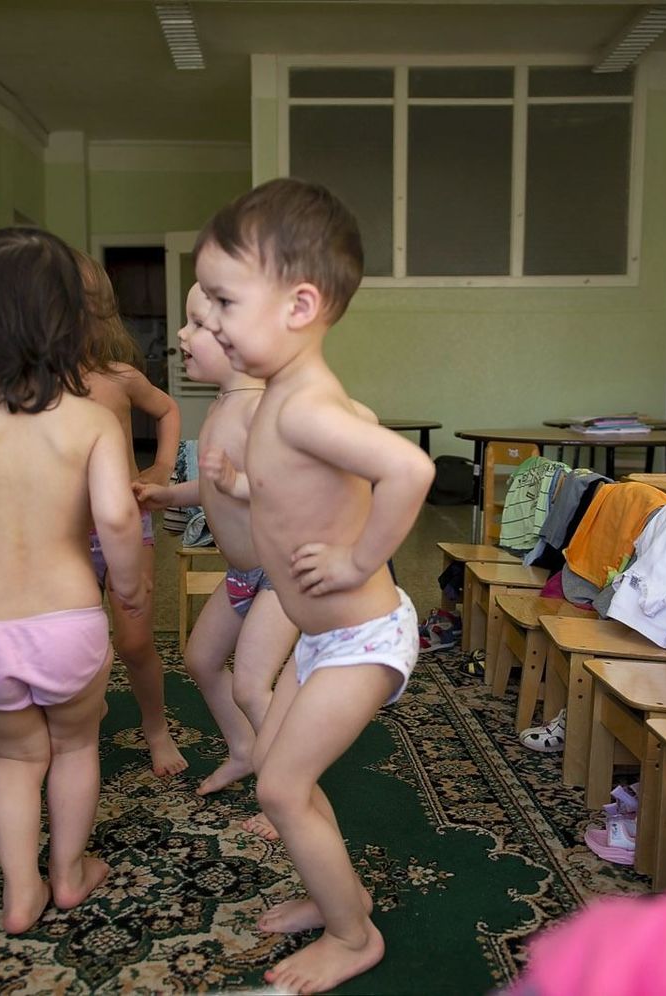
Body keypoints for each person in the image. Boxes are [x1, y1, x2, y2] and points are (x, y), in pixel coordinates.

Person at [194, 178, 434, 993]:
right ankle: (339, 893)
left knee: (281, 785)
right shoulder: (283, 399)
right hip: (324, 635)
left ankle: (353, 936)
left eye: (225, 302)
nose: (211, 321)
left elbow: (410, 470)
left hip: (362, 637)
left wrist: (358, 561)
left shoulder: (302, 406)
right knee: (281, 773)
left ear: (300, 305)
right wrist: (242, 487)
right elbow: (302, 491)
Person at [0, 227, 145, 933]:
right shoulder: (93, 421)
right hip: (69, 621)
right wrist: (130, 587)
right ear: (74, 323)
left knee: (12, 758)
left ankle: (20, 891)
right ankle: (69, 873)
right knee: (75, 745)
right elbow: (117, 517)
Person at [134, 283, 298, 837]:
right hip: (242, 573)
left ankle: (287, 792)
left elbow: (287, 487)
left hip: (279, 575)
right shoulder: (221, 406)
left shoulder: (260, 409)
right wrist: (168, 494)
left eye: (197, 324)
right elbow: (214, 487)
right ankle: (245, 748)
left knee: (252, 685)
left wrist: (243, 482)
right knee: (201, 660)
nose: (181, 334)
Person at [74, 249, 187, 778]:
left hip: (124, 525)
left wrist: (161, 466)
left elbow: (167, 409)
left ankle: (156, 728)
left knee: (135, 640)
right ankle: (83, 713)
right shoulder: (23, 388)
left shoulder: (117, 376)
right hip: (63, 537)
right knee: (77, 640)